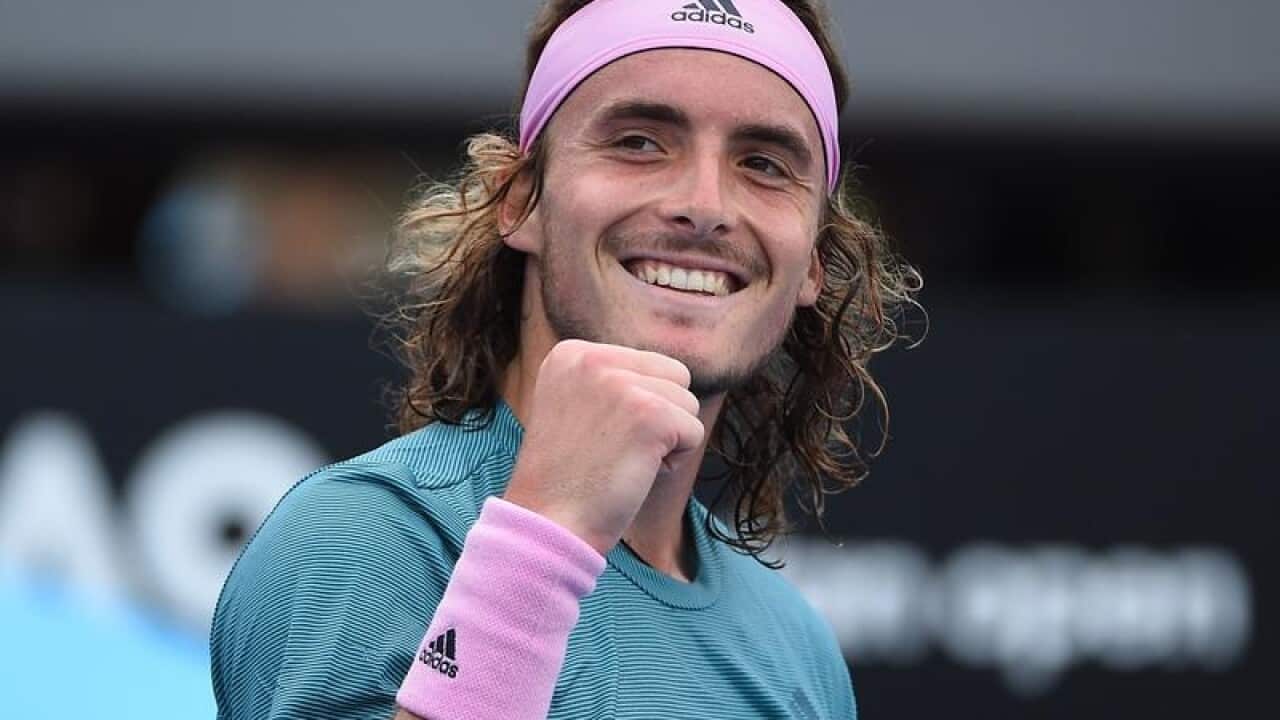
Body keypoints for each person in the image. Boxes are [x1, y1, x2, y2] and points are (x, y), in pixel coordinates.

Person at [210, 0, 921, 718]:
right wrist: (545, 539)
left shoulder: (797, 650)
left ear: (813, 265)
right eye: (640, 142)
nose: (705, 205)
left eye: (764, 164)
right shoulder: (360, 540)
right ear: (521, 202)